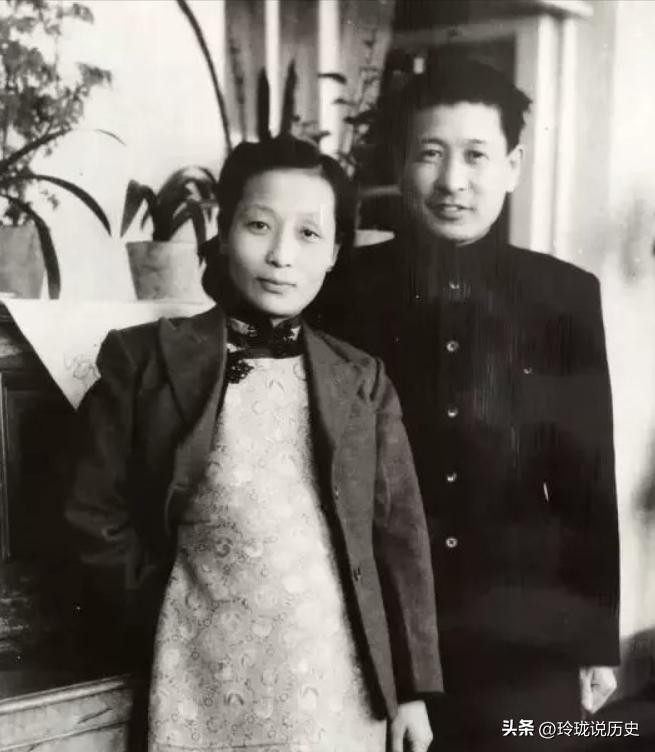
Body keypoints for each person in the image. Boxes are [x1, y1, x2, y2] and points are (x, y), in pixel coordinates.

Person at [65, 135, 442, 752]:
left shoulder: (361, 379)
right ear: (223, 232)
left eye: (309, 234)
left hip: (338, 676)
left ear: (334, 254)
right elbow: (93, 512)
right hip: (199, 670)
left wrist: (413, 690)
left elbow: (399, 540)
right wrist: (169, 609)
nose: (281, 255)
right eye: (259, 225)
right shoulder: (145, 361)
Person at [311, 56, 620, 752]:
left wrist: (595, 637)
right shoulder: (342, 288)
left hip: (525, 622)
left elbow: (586, 479)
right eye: (429, 153)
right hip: (384, 618)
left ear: (512, 165)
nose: (452, 181)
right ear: (400, 163)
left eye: (476, 155)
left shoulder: (564, 294)